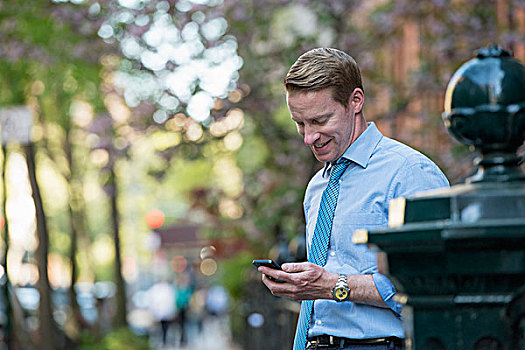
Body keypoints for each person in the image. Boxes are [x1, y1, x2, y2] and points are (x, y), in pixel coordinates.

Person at [257, 48, 449, 350]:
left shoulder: (409, 172)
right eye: (300, 123)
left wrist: (333, 285)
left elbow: (432, 284)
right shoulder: (317, 187)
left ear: (355, 101)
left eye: (320, 120)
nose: (309, 137)